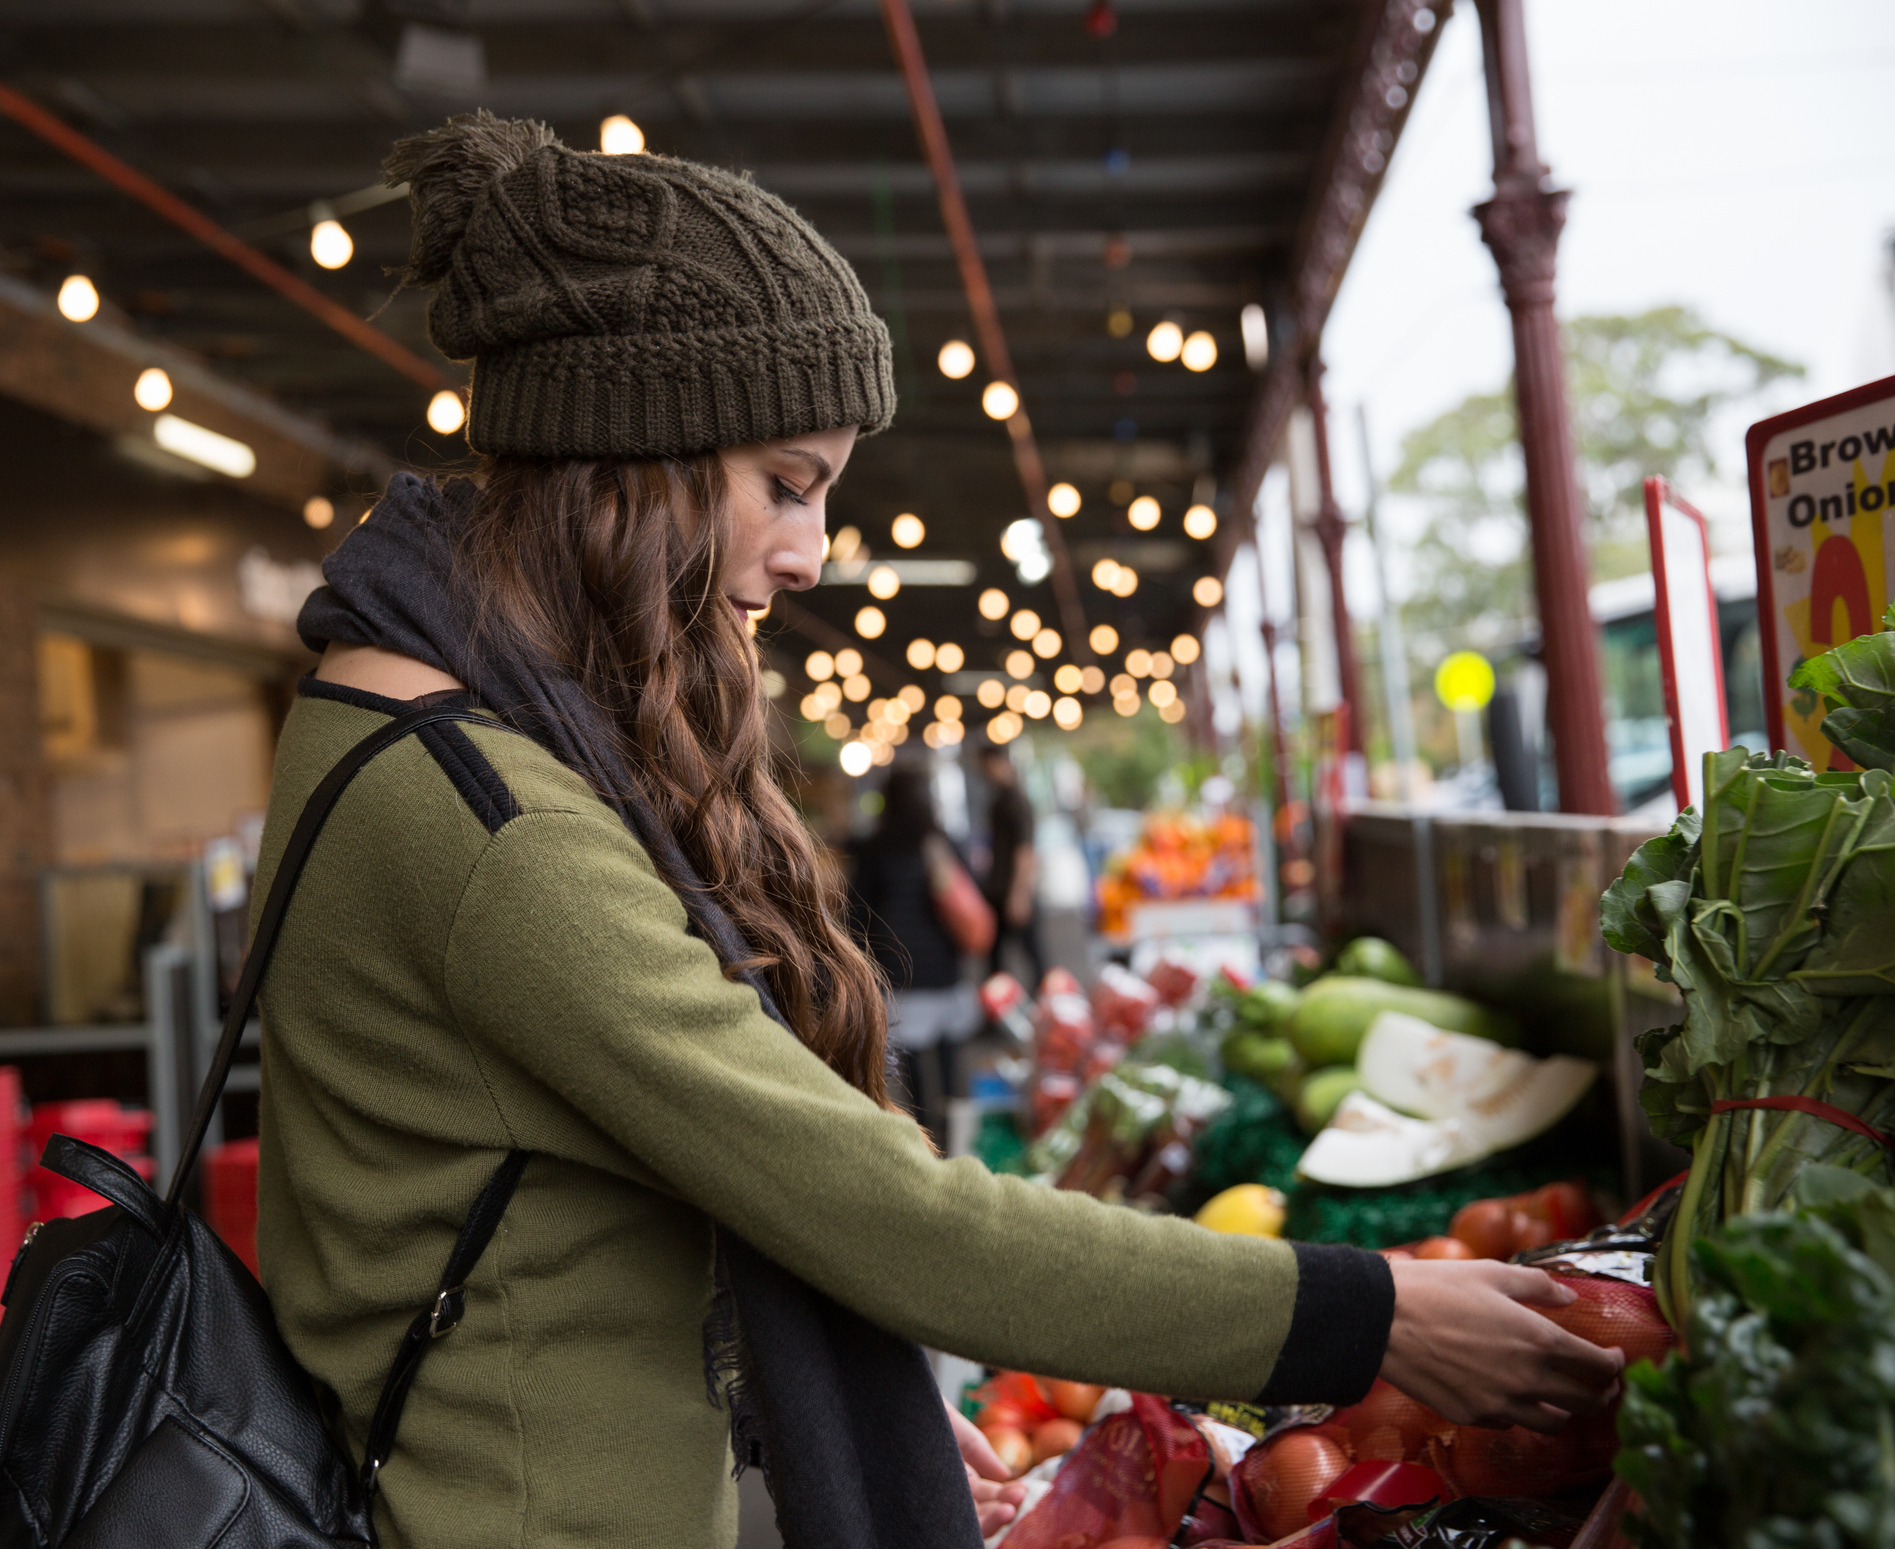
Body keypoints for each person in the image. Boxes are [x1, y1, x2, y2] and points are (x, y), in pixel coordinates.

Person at [253, 113, 1625, 1549]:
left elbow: (532, 1222)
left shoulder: (396, 715)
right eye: (783, 483)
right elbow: (891, 1220)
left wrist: (806, 1413)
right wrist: (1373, 1313)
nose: (807, 548)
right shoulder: (490, 822)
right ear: (633, 450)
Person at [847, 763, 979, 1142]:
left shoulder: (876, 848)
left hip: (899, 970)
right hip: (944, 967)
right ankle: (958, 1130)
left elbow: (857, 912)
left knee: (913, 1062)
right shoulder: (942, 843)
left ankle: (929, 1138)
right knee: (951, 1056)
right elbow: (968, 900)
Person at [978, 741, 1045, 987]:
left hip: (1012, 890)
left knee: (1033, 956)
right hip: (999, 891)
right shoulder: (1000, 800)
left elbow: (1025, 852)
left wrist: (1020, 894)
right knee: (998, 959)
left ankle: (1049, 1007)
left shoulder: (1017, 801)